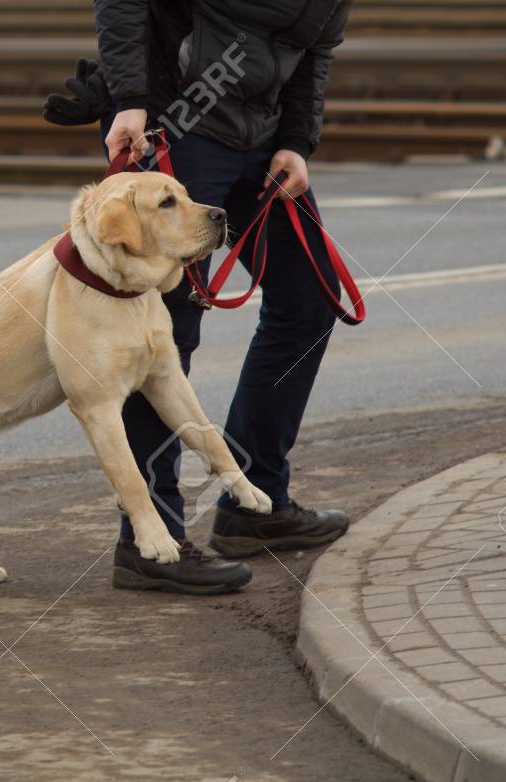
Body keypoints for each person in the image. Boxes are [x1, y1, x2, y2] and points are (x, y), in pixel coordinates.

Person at [45, 0, 354, 594]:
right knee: (166, 334)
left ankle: (254, 504)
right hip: (180, 126)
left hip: (263, 140)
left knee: (311, 302)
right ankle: (150, 540)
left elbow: (314, 51)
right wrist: (129, 98)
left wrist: (297, 141)